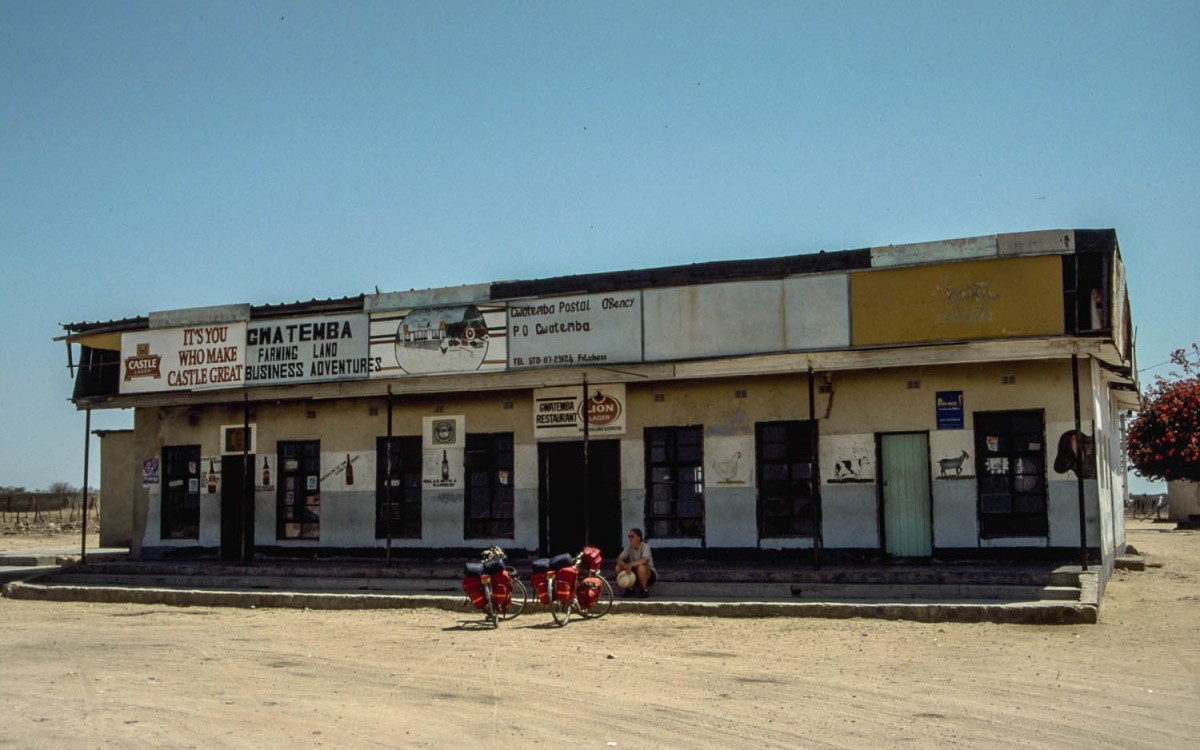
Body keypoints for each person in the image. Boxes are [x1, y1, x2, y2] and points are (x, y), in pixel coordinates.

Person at [615, 527, 656, 598]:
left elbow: (644, 560)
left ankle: (644, 590)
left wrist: (630, 564)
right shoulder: (629, 547)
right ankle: (630, 588)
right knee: (618, 567)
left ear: (639, 537)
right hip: (634, 574)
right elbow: (619, 559)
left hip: (648, 574)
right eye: (629, 536)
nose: (630, 538)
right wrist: (624, 565)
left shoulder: (645, 546)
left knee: (641, 567)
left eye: (632, 536)